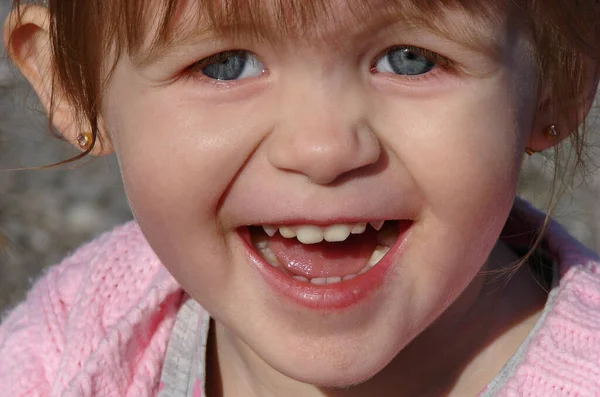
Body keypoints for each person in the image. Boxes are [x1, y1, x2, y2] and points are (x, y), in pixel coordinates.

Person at [1, 0, 599, 396]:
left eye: (411, 60)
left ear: (562, 79)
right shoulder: (70, 339)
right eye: (225, 64)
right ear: (72, 83)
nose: (323, 149)